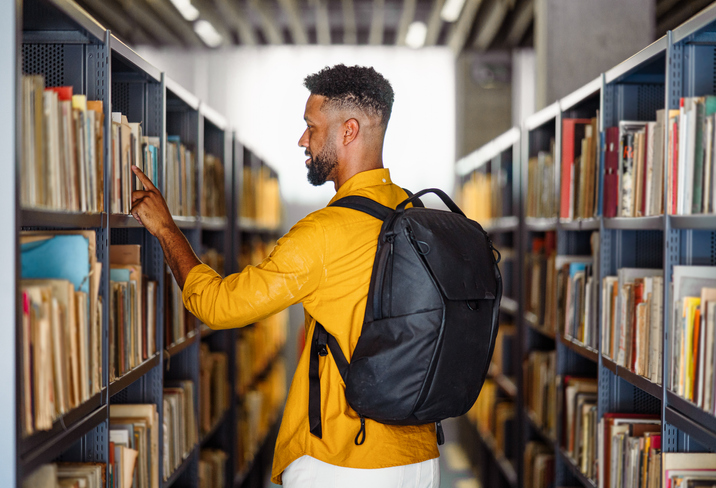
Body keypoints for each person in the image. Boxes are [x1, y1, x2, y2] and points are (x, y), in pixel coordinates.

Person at [130, 64, 441, 487]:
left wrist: (166, 229)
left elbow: (219, 307)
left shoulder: (324, 233)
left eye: (311, 127)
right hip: (420, 457)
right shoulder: (415, 214)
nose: (302, 140)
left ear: (348, 131)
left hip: (346, 462)